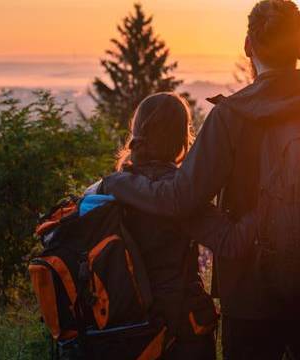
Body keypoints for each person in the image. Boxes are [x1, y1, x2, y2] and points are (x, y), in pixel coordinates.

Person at [103, 1, 300, 359]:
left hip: (251, 297)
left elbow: (180, 198)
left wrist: (117, 183)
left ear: (248, 46)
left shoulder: (231, 117)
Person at [95, 92, 256, 360]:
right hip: (180, 331)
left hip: (124, 327)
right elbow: (232, 243)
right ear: (182, 138)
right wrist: (267, 204)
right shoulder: (181, 196)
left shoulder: (113, 186)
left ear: (137, 132)